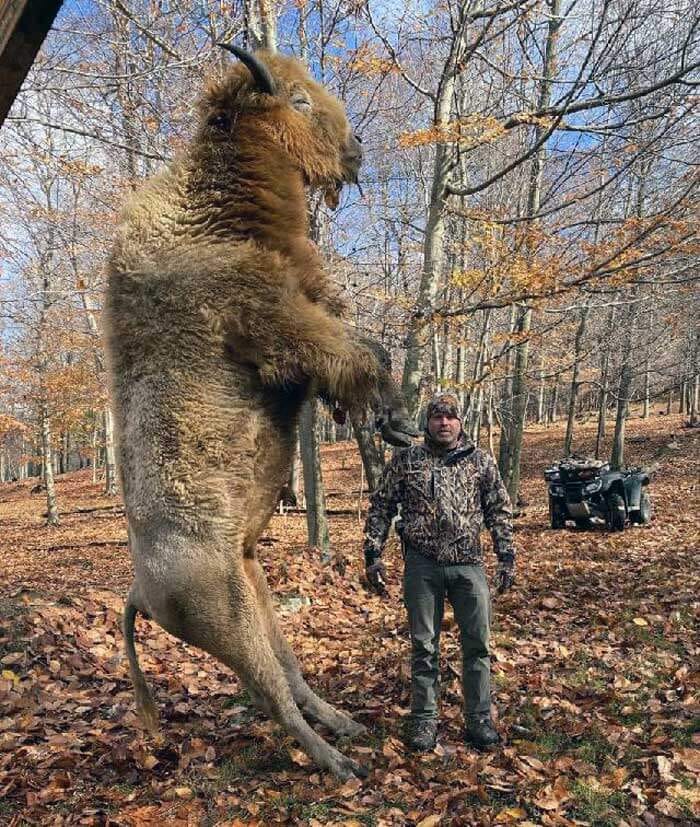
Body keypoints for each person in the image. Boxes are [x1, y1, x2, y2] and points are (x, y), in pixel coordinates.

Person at [362, 393, 515, 752]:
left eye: (450, 417)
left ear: (460, 422)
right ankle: (425, 720)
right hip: (422, 564)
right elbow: (381, 505)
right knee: (423, 646)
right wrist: (373, 553)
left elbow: (498, 510)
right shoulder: (407, 461)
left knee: (477, 644)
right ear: (426, 422)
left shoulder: (480, 462)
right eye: (437, 417)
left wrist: (506, 555)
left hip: (468, 564)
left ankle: (479, 719)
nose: (443, 423)